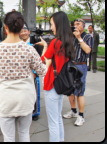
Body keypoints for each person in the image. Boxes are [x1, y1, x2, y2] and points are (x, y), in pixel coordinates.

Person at [0, 11, 47, 142]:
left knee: (8, 137)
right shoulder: (29, 49)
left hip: (4, 98)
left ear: (5, 27)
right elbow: (43, 71)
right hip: (25, 97)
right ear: (21, 28)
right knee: (24, 133)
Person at [35, 11, 75, 142]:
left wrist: (45, 47)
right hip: (61, 83)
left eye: (52, 24)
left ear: (58, 24)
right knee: (57, 118)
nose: (51, 27)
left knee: (53, 122)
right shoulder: (68, 41)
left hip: (52, 83)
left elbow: (45, 60)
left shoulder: (55, 42)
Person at [63, 18, 93, 126]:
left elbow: (88, 50)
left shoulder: (88, 37)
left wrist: (79, 38)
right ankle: (73, 111)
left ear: (83, 26)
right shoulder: (71, 37)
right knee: (70, 90)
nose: (75, 26)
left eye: (78, 24)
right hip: (71, 65)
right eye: (74, 24)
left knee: (80, 92)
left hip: (81, 66)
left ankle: (81, 116)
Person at [19, 24, 41, 121]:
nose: (23, 33)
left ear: (29, 32)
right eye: (21, 31)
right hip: (21, 73)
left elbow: (39, 59)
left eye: (25, 31)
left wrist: (35, 72)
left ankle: (35, 112)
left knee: (34, 92)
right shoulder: (18, 44)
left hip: (32, 73)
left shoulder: (35, 44)